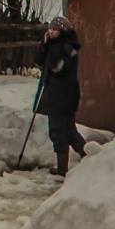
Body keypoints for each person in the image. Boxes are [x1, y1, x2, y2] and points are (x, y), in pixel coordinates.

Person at [36, 16, 86, 177]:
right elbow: (38, 62)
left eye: (55, 29)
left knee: (58, 131)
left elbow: (57, 68)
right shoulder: (54, 46)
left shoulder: (66, 48)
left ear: (63, 31)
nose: (51, 32)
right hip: (59, 95)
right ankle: (91, 156)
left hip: (63, 96)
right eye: (50, 28)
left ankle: (62, 167)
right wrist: (44, 46)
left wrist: (51, 51)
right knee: (69, 131)